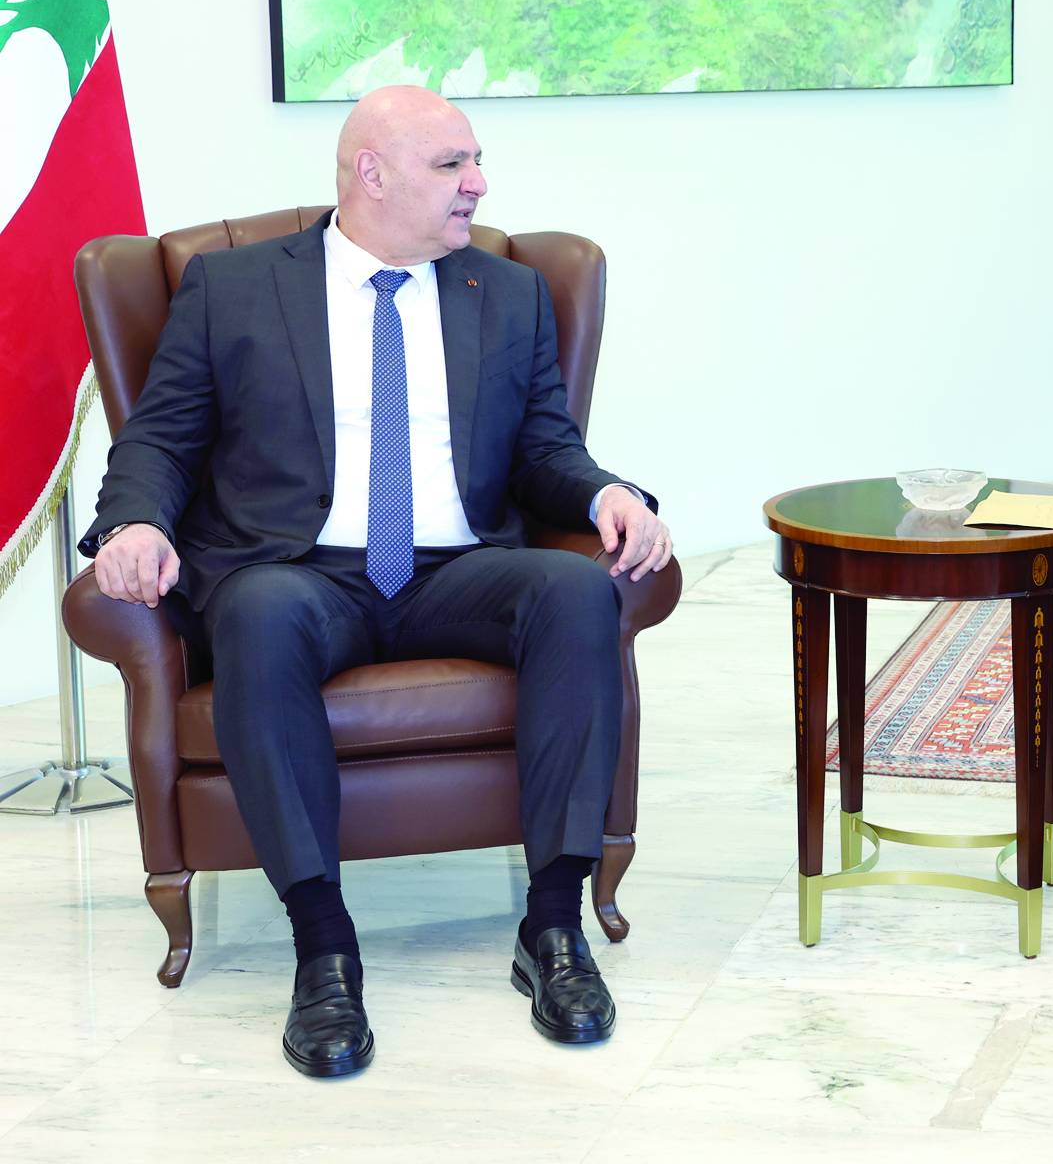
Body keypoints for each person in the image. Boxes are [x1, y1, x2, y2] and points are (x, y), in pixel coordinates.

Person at [82, 85, 673, 1079]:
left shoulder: (506, 290)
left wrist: (607, 490)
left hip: (456, 570)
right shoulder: (233, 287)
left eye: (475, 161)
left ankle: (553, 927)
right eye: (451, 164)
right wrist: (134, 521)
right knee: (258, 611)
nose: (477, 183)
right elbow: (161, 439)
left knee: (577, 592)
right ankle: (323, 949)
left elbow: (544, 448)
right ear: (372, 172)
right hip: (301, 574)